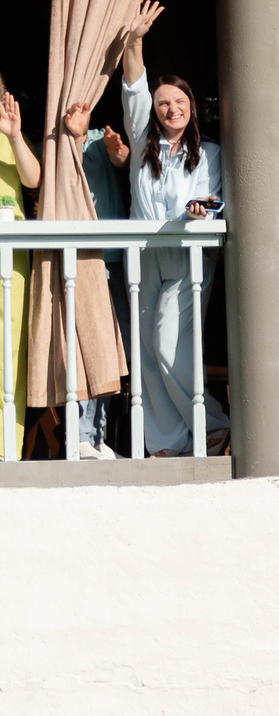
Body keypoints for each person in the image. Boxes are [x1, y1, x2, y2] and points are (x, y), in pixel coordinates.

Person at [113, 8, 231, 458]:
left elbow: (208, 199)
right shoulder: (142, 138)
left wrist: (199, 212)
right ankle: (167, 441)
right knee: (147, 350)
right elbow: (133, 87)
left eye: (178, 101)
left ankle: (213, 424)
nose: (170, 107)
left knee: (169, 343)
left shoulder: (210, 154)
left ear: (191, 107)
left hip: (186, 256)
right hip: (142, 254)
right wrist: (134, 41)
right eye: (163, 102)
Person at [56, 90, 131, 459]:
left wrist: (120, 156)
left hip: (114, 258)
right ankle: (81, 435)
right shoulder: (54, 145)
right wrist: (72, 138)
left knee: (112, 351)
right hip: (81, 259)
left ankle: (97, 436)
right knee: (86, 349)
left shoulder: (104, 139)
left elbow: (122, 162)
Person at [0, 81, 39, 460]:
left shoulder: (10, 134)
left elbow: (32, 179)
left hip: (10, 260)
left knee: (9, 347)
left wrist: (13, 136)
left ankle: (4, 446)